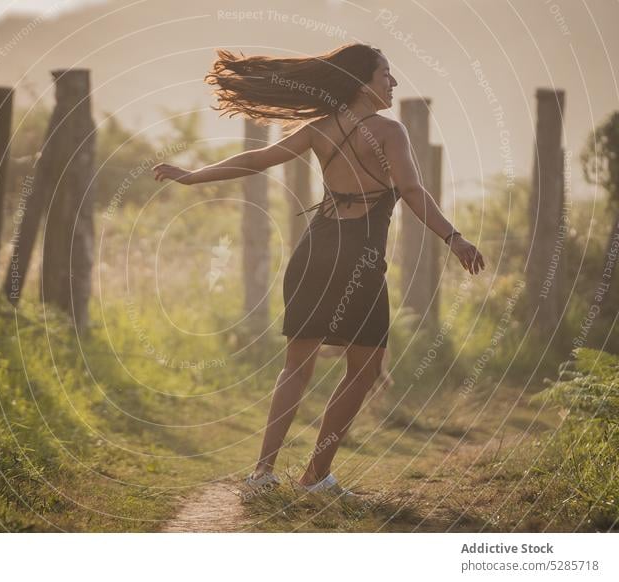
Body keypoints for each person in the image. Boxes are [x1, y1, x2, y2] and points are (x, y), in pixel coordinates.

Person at [153, 43, 485, 499]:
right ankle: (313, 477)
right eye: (386, 74)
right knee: (365, 369)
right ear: (362, 82)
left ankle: (263, 474)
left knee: (296, 364)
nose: (393, 82)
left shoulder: (319, 130)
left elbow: (255, 161)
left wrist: (192, 176)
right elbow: (411, 191)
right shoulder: (390, 132)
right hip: (360, 257)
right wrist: (455, 238)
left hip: (315, 249)